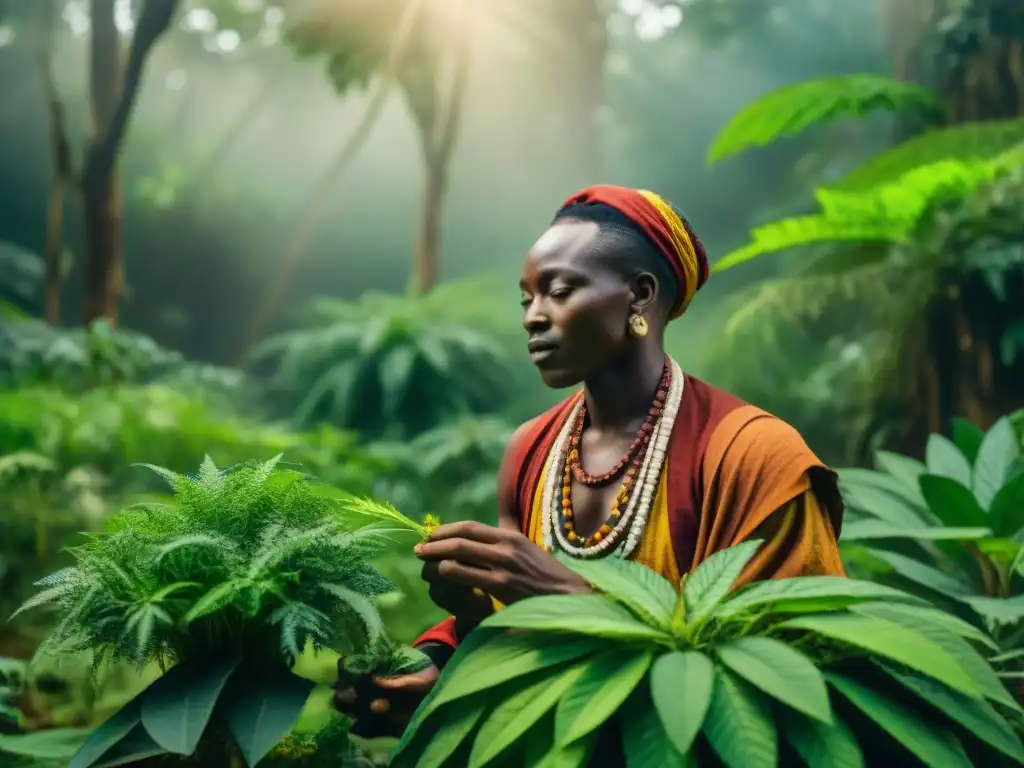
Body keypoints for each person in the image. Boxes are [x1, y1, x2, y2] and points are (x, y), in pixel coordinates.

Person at [332, 184, 846, 738]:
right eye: (526, 299)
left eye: (558, 291)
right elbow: (518, 641)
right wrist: (441, 663)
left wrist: (565, 596)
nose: (533, 317)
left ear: (639, 296)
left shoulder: (754, 455)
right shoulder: (531, 451)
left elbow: (795, 678)